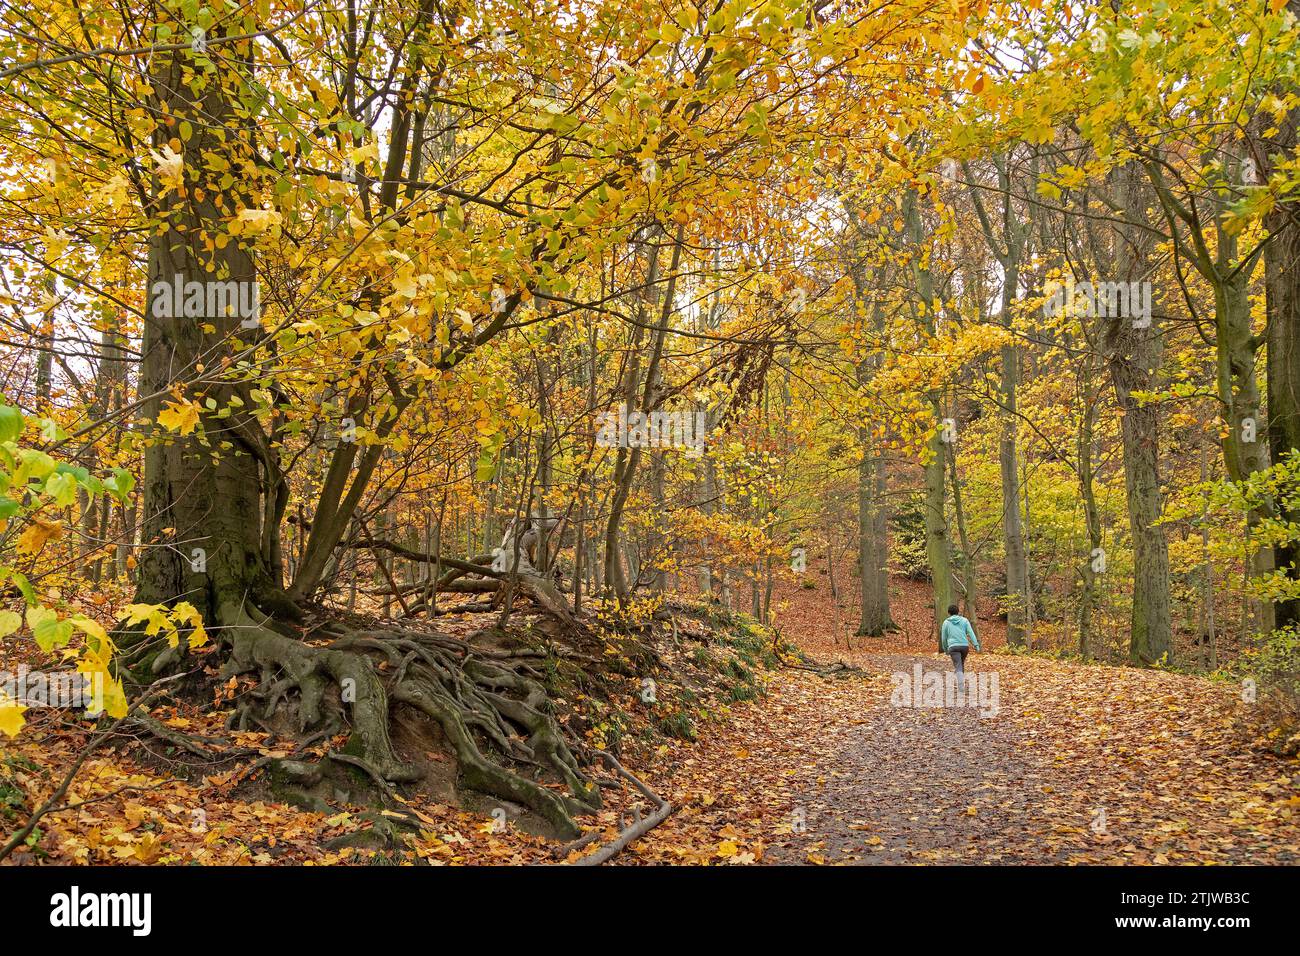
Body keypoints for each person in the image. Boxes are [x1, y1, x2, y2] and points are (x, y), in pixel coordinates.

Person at [939, 604, 981, 691]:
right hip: (964, 646)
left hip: (953, 647)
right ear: (958, 612)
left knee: (958, 665)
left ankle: (961, 684)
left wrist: (945, 648)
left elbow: (943, 638)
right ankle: (961, 682)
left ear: (948, 613)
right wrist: (976, 645)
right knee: (960, 664)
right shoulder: (965, 620)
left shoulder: (946, 622)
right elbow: (971, 633)